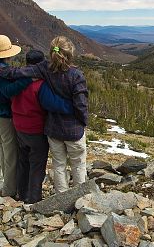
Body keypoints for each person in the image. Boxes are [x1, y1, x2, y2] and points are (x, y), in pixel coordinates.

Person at [0, 36, 88, 193]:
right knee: (77, 164)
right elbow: (79, 106)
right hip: (69, 129)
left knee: (57, 164)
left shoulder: (43, 70)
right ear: (70, 53)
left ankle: (58, 197)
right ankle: (79, 198)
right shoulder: (75, 75)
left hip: (46, 129)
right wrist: (81, 120)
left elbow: (16, 73)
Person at [3, 50, 74, 203]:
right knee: (37, 164)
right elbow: (53, 104)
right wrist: (72, 106)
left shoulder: (16, 81)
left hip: (19, 127)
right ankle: (33, 199)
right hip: (36, 130)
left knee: (24, 162)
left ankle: (22, 194)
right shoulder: (39, 84)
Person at [0, 35, 32, 197]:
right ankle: (9, 190)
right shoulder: (2, 70)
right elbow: (6, 92)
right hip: (4, 116)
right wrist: (27, 80)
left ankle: (7, 184)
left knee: (3, 151)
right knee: (10, 153)